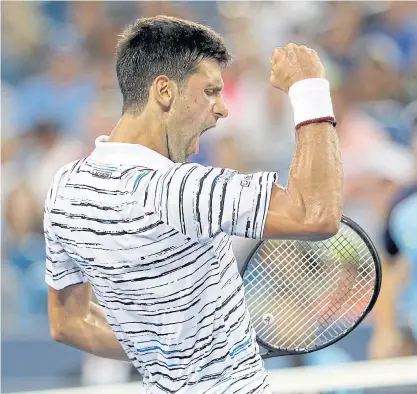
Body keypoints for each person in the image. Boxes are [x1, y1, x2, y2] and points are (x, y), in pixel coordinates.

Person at [44, 16, 343, 394]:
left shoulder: (65, 188)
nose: (223, 108)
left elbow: (68, 322)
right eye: (210, 92)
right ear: (165, 92)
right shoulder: (179, 190)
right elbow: (316, 214)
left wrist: (174, 353)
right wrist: (309, 87)